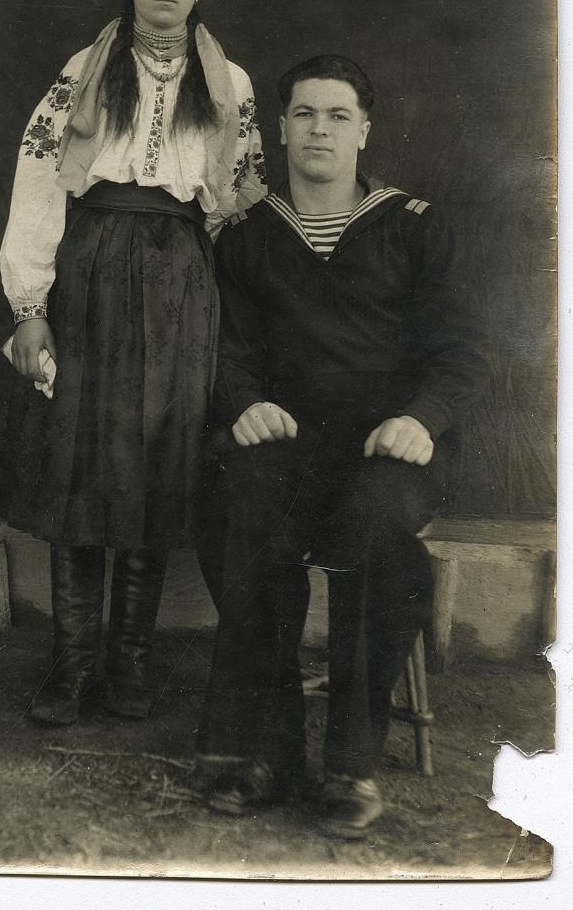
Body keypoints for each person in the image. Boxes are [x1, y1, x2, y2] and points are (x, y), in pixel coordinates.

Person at [193, 54, 491, 838]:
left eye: (336, 115)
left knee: (375, 528)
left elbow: (463, 352)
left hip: (387, 448)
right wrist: (245, 402)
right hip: (289, 444)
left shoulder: (414, 227)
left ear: (365, 128)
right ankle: (266, 749)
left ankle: (351, 763)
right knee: (239, 501)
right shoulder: (248, 238)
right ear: (280, 128)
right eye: (302, 114)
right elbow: (227, 349)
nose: (318, 129)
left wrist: (423, 418)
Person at [0, 0, 266, 728]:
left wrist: (202, 290)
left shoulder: (231, 85)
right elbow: (38, 179)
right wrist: (31, 308)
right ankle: (72, 665)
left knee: (155, 460)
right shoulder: (85, 70)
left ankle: (129, 666)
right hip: (92, 271)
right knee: (78, 459)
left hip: (181, 281)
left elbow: (239, 203)